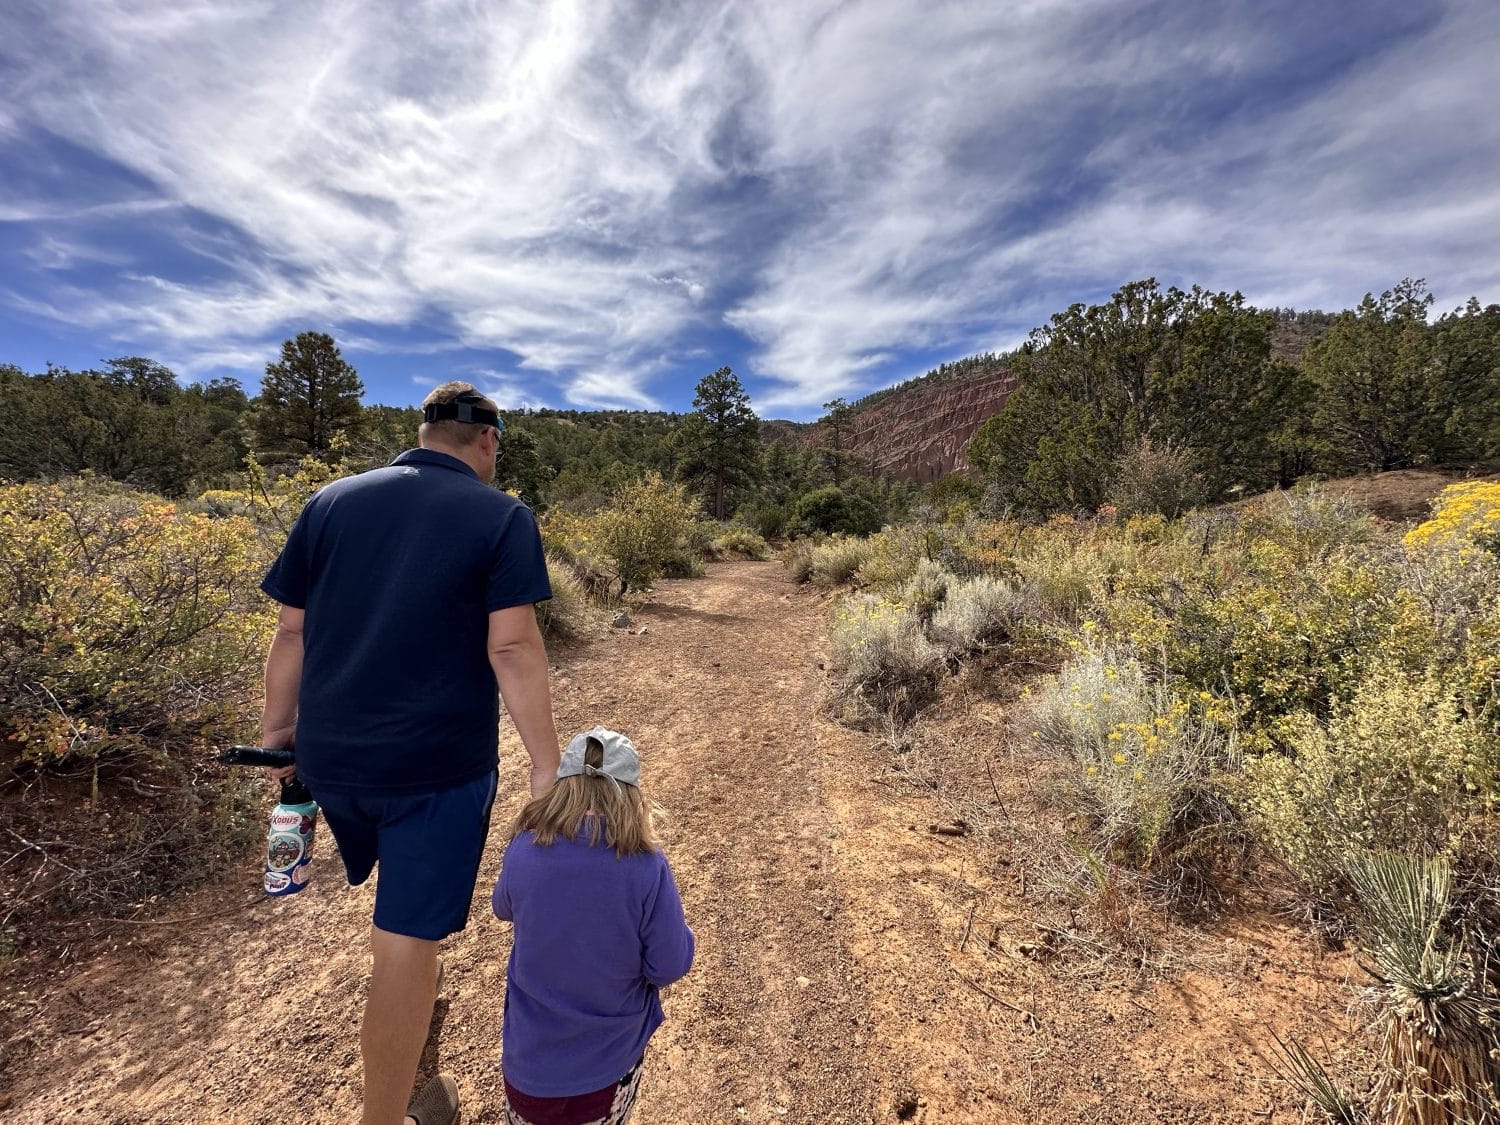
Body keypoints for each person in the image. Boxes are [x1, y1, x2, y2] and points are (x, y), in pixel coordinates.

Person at [258, 381, 560, 1125]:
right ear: (488, 441)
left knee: (402, 925)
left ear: (423, 431)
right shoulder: (501, 515)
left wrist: (275, 735)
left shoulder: (329, 502)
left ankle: (422, 1076)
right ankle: (384, 1116)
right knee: (404, 942)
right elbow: (514, 645)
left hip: (331, 763)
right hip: (437, 771)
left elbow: (292, 632)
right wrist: (546, 765)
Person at [492, 727, 694, 1125]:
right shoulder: (645, 867)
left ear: (562, 786)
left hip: (526, 1072)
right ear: (632, 794)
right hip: (606, 1073)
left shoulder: (523, 850)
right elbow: (669, 965)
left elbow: (503, 908)